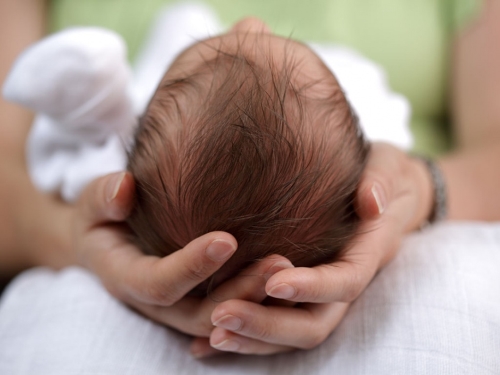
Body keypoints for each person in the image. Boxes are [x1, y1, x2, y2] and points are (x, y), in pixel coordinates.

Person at [0, 0, 499, 366]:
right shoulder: (374, 107)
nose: (250, 22)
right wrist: (71, 236)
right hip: (74, 261)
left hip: (418, 240)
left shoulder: (107, 128)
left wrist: (421, 186)